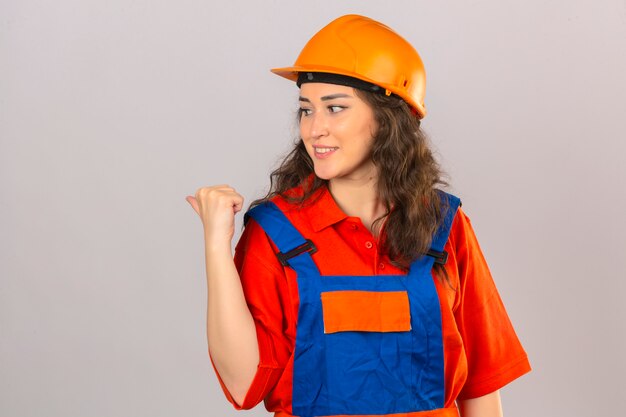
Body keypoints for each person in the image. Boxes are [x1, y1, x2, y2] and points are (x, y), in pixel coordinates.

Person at [186, 14, 530, 417]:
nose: (314, 129)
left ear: (389, 119)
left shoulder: (442, 225)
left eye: (335, 108)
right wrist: (215, 244)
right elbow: (243, 385)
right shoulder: (276, 232)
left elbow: (481, 385)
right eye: (306, 110)